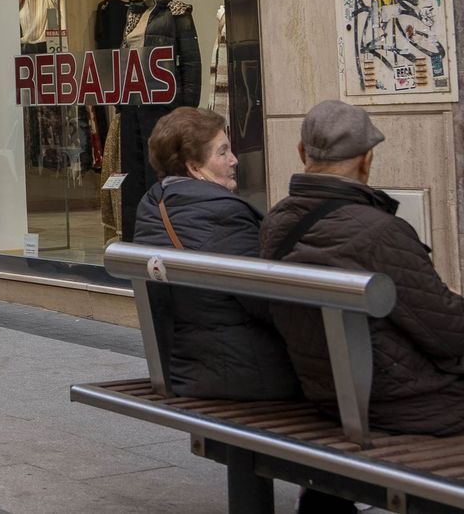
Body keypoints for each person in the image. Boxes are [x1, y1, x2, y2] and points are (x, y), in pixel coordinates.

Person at [262, 101, 464, 438]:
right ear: (367, 158)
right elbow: (448, 333)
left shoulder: (276, 222)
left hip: (328, 392)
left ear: (302, 152)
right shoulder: (378, 232)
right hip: (409, 401)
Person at [132, 107, 298, 400]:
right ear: (194, 167)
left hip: (186, 366)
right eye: (222, 152)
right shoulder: (221, 213)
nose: (234, 160)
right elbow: (266, 302)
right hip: (243, 371)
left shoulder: (152, 207)